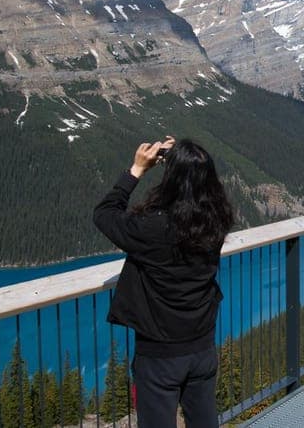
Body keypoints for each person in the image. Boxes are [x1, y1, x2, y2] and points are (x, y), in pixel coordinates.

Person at [94, 137, 234, 428]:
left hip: (160, 355)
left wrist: (136, 170)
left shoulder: (154, 227)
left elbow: (105, 214)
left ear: (172, 181)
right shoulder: (217, 219)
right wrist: (178, 156)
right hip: (202, 347)